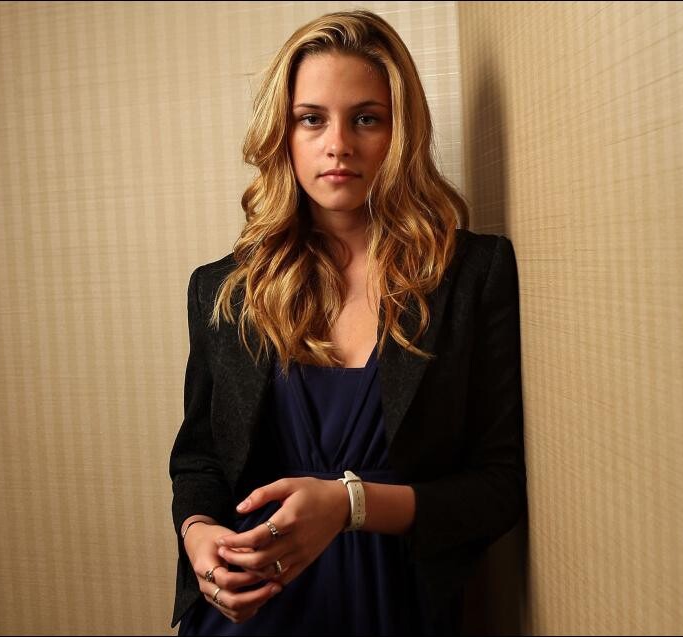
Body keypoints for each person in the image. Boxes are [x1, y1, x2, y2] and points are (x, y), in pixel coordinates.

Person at [169, 9, 525, 636]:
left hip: (395, 608)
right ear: (283, 133)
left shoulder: (473, 275)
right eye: (312, 119)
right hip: (250, 613)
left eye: (366, 118)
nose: (338, 144)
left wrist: (351, 504)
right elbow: (199, 459)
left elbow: (499, 487)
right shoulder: (223, 290)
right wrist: (199, 537)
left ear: (401, 131)